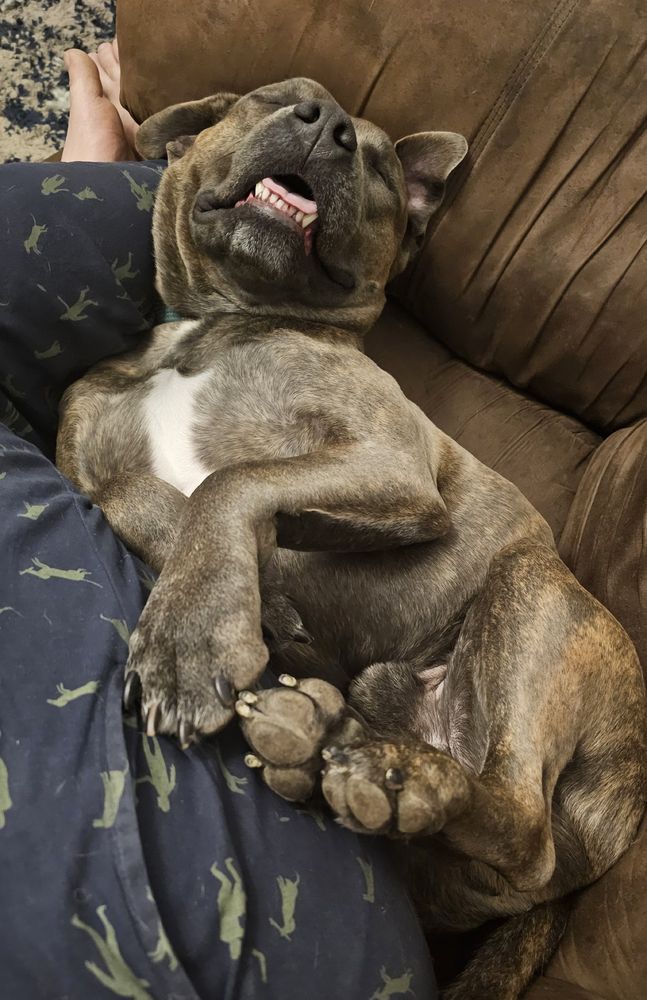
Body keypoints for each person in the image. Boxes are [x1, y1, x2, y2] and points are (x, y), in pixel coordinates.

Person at [0, 41, 436, 1000]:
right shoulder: (90, 402)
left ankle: (98, 185)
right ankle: (104, 182)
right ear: (187, 140)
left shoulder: (326, 373)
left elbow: (409, 488)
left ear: (405, 233)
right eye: (277, 104)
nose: (322, 128)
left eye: (374, 169)